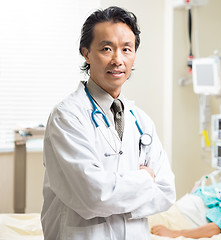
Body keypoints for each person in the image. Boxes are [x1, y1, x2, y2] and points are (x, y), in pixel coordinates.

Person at [41, 6, 176, 240]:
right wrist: (145, 179)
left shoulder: (141, 121)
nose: (118, 59)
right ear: (86, 53)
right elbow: (93, 196)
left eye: (126, 49)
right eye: (106, 48)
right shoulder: (67, 116)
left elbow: (166, 192)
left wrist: (114, 192)